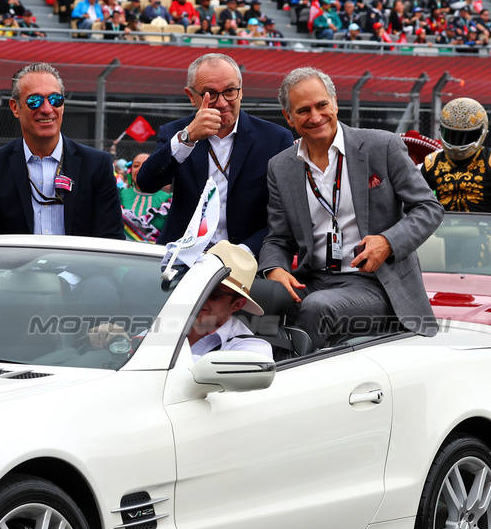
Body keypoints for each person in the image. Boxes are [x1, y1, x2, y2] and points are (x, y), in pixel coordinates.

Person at [260, 67, 443, 350]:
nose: (316, 117)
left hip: (378, 283)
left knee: (317, 308)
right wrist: (274, 269)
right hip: (313, 280)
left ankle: (292, 388)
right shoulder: (280, 166)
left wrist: (387, 242)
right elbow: (278, 238)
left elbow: (428, 208)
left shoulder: (383, 145)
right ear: (288, 117)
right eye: (304, 110)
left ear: (335, 102)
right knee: (254, 298)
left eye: (322, 105)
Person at [136, 53, 294, 255]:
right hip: (183, 258)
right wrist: (187, 138)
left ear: (241, 90)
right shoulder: (174, 133)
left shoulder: (275, 138)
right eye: (210, 93)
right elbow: (146, 183)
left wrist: (242, 252)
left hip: (249, 258)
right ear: (191, 96)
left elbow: (285, 215)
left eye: (230, 91)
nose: (221, 102)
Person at [0, 63, 122, 239]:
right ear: (15, 107)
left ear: (63, 105)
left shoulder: (97, 166)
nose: (46, 109)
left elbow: (110, 239)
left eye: (55, 100)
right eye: (34, 101)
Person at [89, 240, 273, 360]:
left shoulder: (252, 349)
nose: (201, 296)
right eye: (198, 285)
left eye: (214, 293)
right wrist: (121, 342)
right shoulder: (169, 323)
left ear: (237, 304)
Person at [420, 98, 491, 213]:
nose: (458, 142)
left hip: (485, 230)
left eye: (466, 136)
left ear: (482, 132)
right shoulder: (432, 162)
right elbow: (416, 201)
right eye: (451, 135)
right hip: (441, 229)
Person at [120, 152, 172, 242]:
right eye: (136, 166)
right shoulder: (119, 194)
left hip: (152, 254)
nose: (140, 169)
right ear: (130, 171)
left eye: (146, 165)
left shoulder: (167, 200)